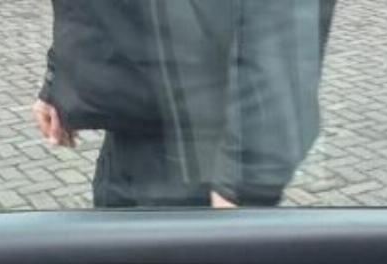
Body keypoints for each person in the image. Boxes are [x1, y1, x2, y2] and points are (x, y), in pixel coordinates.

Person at [33, 0, 335, 209]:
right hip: (125, 141)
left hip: (200, 153)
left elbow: (284, 23)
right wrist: (59, 77)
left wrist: (245, 182)